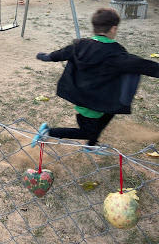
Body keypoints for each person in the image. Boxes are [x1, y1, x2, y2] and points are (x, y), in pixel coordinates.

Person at [32, 8, 159, 154]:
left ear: (95, 27)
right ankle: (48, 133)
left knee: (111, 111)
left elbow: (60, 54)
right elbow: (143, 65)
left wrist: (44, 56)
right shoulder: (116, 54)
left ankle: (91, 144)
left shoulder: (80, 45)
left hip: (84, 95)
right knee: (87, 132)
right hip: (91, 104)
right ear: (114, 28)